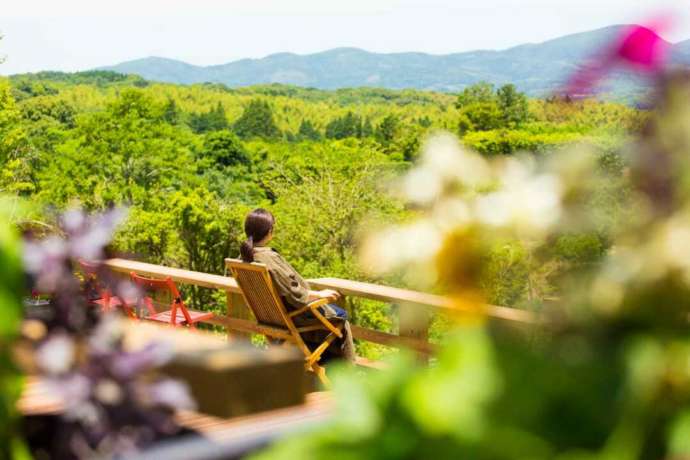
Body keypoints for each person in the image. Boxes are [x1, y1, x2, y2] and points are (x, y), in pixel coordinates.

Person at [239, 208, 356, 362]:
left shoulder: (244, 258)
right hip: (294, 316)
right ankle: (347, 372)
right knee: (341, 318)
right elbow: (294, 292)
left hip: (271, 318)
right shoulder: (267, 258)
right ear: (269, 231)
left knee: (328, 322)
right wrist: (319, 294)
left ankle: (322, 362)